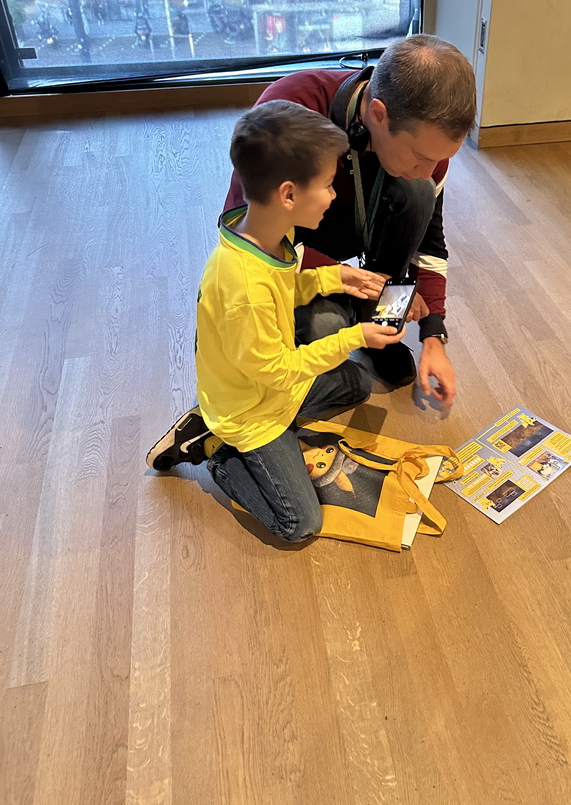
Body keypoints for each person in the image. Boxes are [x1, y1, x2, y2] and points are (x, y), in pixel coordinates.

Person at [148, 33, 475, 470]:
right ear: (378, 113)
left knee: (417, 197)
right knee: (326, 330)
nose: (431, 170)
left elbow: (430, 244)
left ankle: (381, 327)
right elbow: (249, 234)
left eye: (442, 159)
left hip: (353, 266)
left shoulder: (427, 148)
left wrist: (434, 336)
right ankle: (224, 423)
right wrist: (342, 280)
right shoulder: (292, 108)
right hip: (296, 264)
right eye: (420, 156)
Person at [148, 101, 402, 542]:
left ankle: (239, 432)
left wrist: (332, 278)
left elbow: (285, 293)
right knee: (300, 524)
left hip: (269, 388)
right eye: (326, 185)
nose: (333, 194)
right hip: (250, 412)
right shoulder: (241, 285)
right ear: (288, 194)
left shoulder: (271, 235)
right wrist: (352, 335)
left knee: (357, 385)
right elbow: (279, 368)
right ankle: (217, 453)